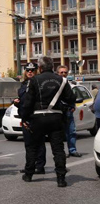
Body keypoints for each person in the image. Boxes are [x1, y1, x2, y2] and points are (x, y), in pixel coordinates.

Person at [22, 57, 76, 187]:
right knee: (58, 149)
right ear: (52, 67)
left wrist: (24, 117)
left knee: (32, 147)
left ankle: (28, 174)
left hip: (38, 118)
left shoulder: (34, 80)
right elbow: (71, 99)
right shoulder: (62, 81)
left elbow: (28, 101)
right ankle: (61, 178)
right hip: (56, 118)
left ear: (40, 68)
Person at [17, 63, 46, 175]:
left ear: (36, 71)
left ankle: (40, 166)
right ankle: (30, 166)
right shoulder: (23, 84)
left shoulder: (39, 84)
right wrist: (16, 103)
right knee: (29, 144)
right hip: (26, 117)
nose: (30, 72)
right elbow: (23, 100)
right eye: (28, 70)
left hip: (37, 116)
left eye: (32, 70)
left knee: (39, 143)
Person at [57, 65, 81, 157]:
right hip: (59, 111)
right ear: (57, 73)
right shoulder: (55, 84)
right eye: (61, 72)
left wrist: (73, 106)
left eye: (65, 72)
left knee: (71, 131)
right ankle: (63, 152)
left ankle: (72, 150)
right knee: (60, 134)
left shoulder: (70, 84)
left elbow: (73, 98)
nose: (63, 74)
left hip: (68, 111)